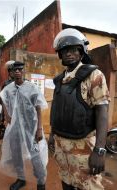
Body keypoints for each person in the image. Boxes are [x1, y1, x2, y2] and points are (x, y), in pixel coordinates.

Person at [48, 28, 110, 190]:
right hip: (61, 145)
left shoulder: (94, 75)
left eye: (74, 49)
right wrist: (52, 135)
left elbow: (102, 112)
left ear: (81, 52)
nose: (69, 53)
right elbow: (57, 110)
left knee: (89, 185)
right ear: (60, 55)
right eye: (64, 50)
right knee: (66, 180)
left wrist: (100, 150)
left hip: (83, 146)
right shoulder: (60, 80)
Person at [0, 61, 48, 190]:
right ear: (11, 73)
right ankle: (21, 179)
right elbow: (3, 98)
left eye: (20, 69)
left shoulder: (31, 88)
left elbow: (38, 108)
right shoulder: (8, 89)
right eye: (15, 70)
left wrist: (39, 129)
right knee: (16, 153)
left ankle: (41, 182)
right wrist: (6, 115)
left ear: (24, 71)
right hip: (14, 127)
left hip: (31, 127)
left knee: (35, 155)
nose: (17, 72)